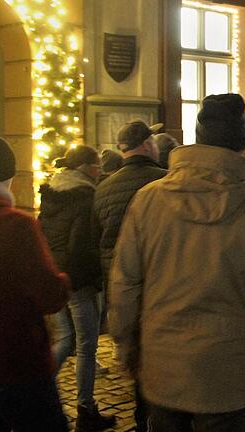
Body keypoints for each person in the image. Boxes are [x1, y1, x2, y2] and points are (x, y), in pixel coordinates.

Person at [109, 94, 245, 431]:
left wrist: (125, 344)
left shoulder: (148, 201)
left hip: (163, 367)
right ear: (243, 141)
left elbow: (125, 282)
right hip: (226, 373)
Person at [0, 132, 70, 431]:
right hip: (16, 367)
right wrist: (62, 280)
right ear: (6, 178)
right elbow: (50, 296)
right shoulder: (15, 225)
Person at [92, 120, 167, 432]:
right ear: (148, 145)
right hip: (158, 280)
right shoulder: (164, 181)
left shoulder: (104, 188)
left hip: (118, 281)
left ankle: (141, 418)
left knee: (136, 353)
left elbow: (98, 238)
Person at [38, 145, 115, 431]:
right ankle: (86, 409)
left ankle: (39, 386)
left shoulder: (51, 195)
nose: (99, 172)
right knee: (86, 344)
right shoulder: (85, 197)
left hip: (56, 275)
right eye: (96, 166)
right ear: (84, 167)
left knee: (66, 338)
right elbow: (83, 245)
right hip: (80, 281)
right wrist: (95, 278)